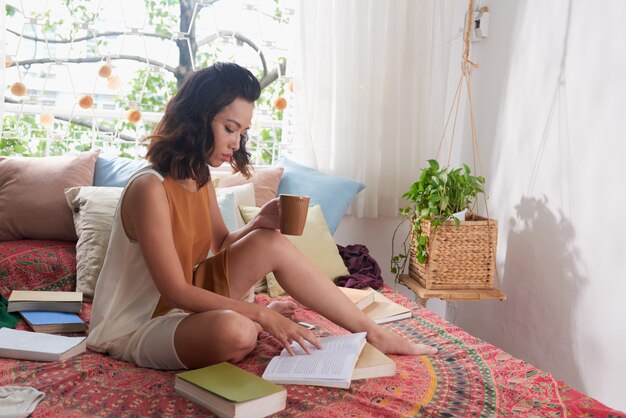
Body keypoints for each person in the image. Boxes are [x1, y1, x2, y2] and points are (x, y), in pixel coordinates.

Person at [87, 62, 437, 370]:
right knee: (238, 333)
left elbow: (221, 244)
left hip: (186, 303)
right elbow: (175, 291)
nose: (236, 143)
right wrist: (260, 314)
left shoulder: (200, 176)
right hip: (138, 325)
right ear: (198, 118)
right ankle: (237, 315)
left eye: (242, 132)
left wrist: (259, 223)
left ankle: (374, 333)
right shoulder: (150, 188)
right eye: (229, 128)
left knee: (270, 240)